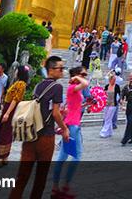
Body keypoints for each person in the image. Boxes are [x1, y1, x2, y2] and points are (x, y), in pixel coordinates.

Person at [10, 55, 69, 199]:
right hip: (46, 136)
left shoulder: (39, 85)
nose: (62, 71)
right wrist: (64, 128)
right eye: (60, 68)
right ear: (51, 70)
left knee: (22, 175)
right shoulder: (57, 87)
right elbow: (55, 113)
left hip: (30, 134)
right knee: (41, 176)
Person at [52, 65, 89, 196]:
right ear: (76, 75)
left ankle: (56, 186)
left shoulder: (75, 89)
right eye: (82, 74)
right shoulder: (73, 87)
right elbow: (86, 83)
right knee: (76, 155)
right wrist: (78, 78)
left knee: (63, 155)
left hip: (72, 124)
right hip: (72, 126)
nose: (84, 77)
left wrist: (85, 104)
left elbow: (74, 106)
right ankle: (65, 185)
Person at [0, 65, 29, 169]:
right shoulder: (19, 83)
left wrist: (7, 113)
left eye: (17, 71)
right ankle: (4, 157)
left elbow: (15, 99)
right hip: (9, 108)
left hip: (10, 109)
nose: (15, 72)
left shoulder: (20, 84)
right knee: (6, 133)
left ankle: (0, 159)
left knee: (4, 133)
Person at [100, 71, 121, 138]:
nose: (114, 81)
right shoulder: (107, 86)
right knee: (106, 116)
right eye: (113, 80)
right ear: (110, 80)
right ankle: (110, 131)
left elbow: (119, 95)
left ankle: (104, 132)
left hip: (113, 104)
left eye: (115, 80)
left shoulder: (117, 86)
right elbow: (103, 94)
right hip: (106, 103)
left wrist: (120, 101)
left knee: (108, 117)